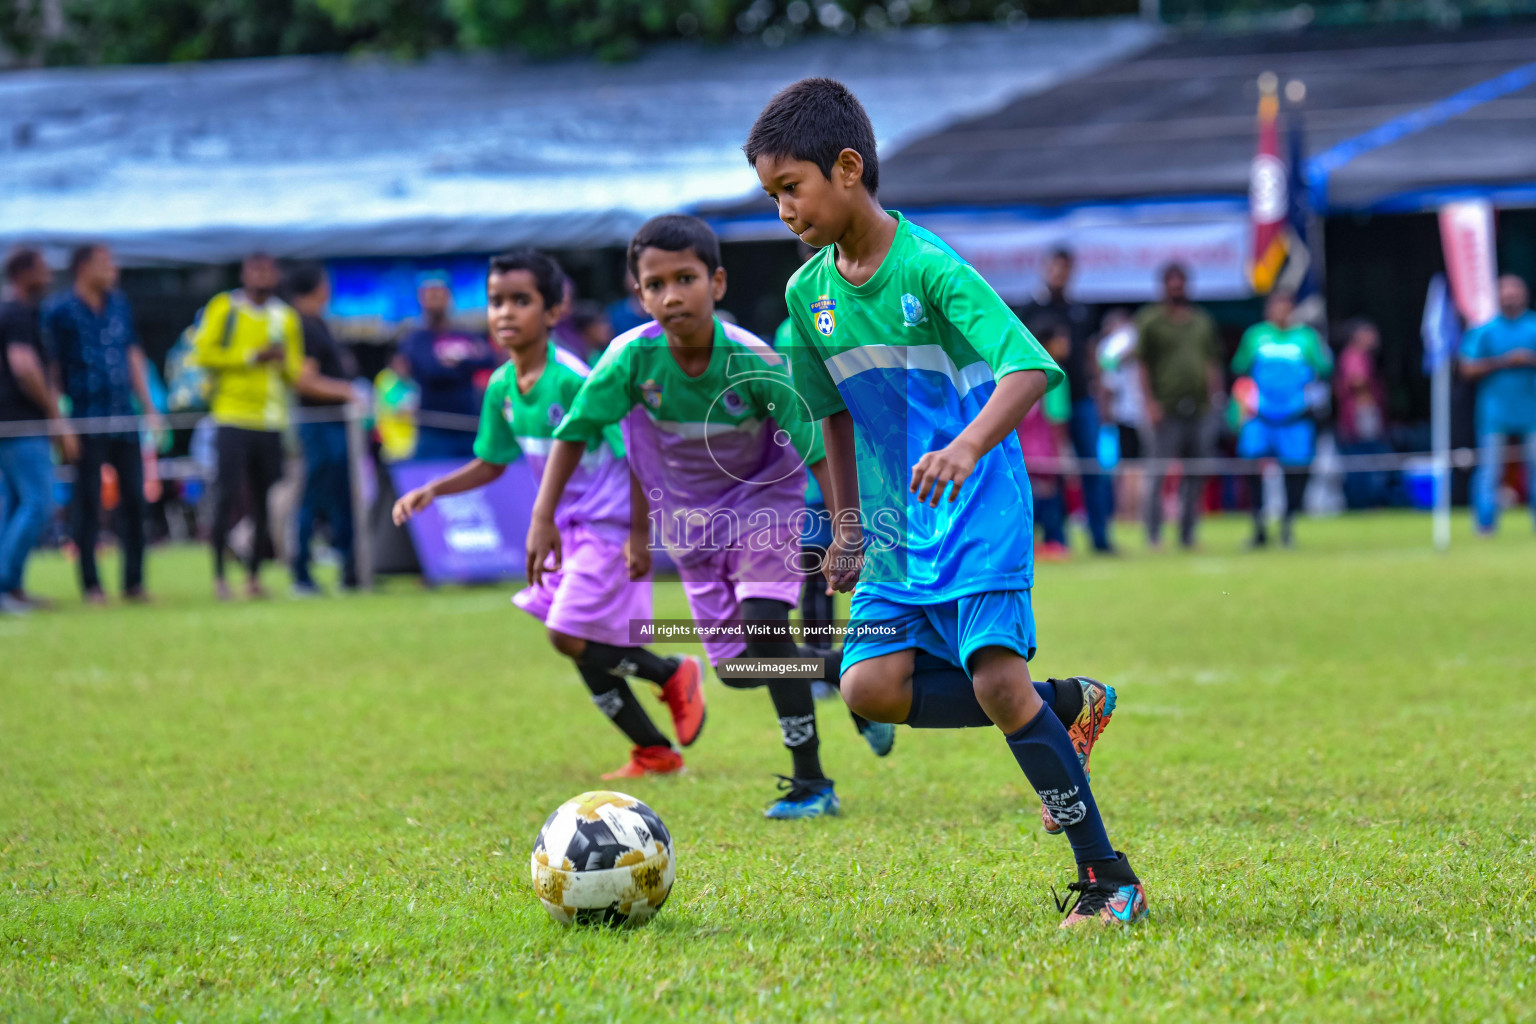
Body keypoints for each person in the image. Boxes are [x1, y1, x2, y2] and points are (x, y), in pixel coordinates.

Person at [748, 78, 1144, 927]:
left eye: (792, 187)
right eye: (771, 194)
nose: (783, 209)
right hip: (894, 532)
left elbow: (1030, 366)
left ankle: (1109, 879)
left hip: (973, 511)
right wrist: (847, 524)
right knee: (868, 689)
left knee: (998, 686)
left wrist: (966, 445)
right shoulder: (804, 296)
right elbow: (827, 415)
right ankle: (1067, 704)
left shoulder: (928, 267)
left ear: (848, 168)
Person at [529, 214, 890, 820]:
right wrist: (543, 517)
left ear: (716, 283)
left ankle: (812, 784)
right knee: (740, 670)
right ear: (638, 294)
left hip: (761, 508)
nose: (672, 295)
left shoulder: (753, 360)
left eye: (686, 278)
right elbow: (575, 433)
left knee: (767, 632)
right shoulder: (628, 361)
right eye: (656, 284)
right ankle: (853, 676)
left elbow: (817, 446)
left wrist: (846, 533)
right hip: (691, 525)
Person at [394, 250, 705, 778]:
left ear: (553, 311)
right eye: (496, 301)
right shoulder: (500, 386)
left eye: (521, 300)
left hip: (606, 527)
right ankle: (654, 751)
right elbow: (493, 461)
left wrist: (637, 533)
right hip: (567, 532)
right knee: (580, 643)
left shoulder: (573, 379)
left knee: (566, 633)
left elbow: (636, 451)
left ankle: (671, 672)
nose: (506, 313)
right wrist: (435, 489)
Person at [44, 244, 160, 604]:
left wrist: (148, 405)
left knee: (135, 501)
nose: (113, 268)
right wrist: (59, 422)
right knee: (88, 503)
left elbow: (132, 354)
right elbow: (52, 367)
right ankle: (91, 585)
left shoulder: (119, 304)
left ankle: (134, 582)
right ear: (83, 268)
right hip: (85, 418)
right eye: (104, 263)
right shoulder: (59, 311)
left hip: (123, 416)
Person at [190, 253, 304, 600]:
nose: (261, 276)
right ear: (243, 274)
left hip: (270, 421)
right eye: (255, 270)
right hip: (230, 416)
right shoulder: (224, 308)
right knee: (225, 496)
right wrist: (251, 357)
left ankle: (254, 577)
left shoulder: (284, 316)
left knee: (263, 501)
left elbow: (294, 371)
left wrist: (282, 362)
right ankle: (219, 577)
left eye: (267, 270)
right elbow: (202, 354)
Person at [1018, 248, 1113, 553]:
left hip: (1081, 398)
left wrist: (1100, 392)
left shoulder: (1081, 310)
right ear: (1045, 269)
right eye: (1055, 268)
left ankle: (1100, 538)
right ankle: (1055, 538)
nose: (1059, 274)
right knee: (1047, 472)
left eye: (1065, 269)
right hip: (1045, 402)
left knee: (1090, 469)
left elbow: (1090, 354)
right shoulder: (1029, 310)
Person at [0, 248, 76, 614]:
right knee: (39, 503)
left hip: (14, 423)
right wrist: (54, 414)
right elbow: (24, 366)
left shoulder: (24, 314)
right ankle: (5, 584)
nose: (48, 275)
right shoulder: (16, 313)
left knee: (14, 504)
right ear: (23, 273)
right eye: (42, 269)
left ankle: (12, 588)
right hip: (21, 423)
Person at [1232, 290, 1333, 548]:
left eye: (1286, 307)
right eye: (1276, 307)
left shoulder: (1307, 338)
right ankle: (1258, 526)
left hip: (1296, 417)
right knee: (1253, 470)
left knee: (1296, 472)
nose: (1281, 313)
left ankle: (1288, 526)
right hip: (1261, 416)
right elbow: (1239, 368)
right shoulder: (1255, 336)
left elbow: (1324, 369)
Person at [285, 263, 361, 595]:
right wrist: (348, 390)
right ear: (317, 287)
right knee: (313, 497)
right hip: (318, 425)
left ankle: (352, 569)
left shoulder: (318, 323)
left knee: (341, 497)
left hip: (334, 424)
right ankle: (301, 573)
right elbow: (304, 380)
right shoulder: (303, 326)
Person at [1135, 263, 1223, 550]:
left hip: (1199, 408)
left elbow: (1211, 362)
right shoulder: (1150, 321)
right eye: (1171, 283)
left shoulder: (1201, 321)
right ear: (1163, 287)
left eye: (1180, 283)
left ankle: (1187, 535)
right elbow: (1142, 365)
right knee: (1158, 474)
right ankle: (1153, 535)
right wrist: (1149, 402)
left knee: (1195, 475)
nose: (1176, 288)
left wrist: (1215, 398)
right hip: (1165, 408)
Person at [1458, 274, 1536, 535]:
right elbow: (1466, 368)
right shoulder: (1485, 330)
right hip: (1494, 413)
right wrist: (1504, 362)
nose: (1511, 298)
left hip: (1531, 411)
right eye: (1506, 293)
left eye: (1515, 293)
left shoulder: (1533, 326)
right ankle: (1485, 525)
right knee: (1490, 470)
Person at [396, 272, 499, 461]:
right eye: (429, 294)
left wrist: (456, 362)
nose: (434, 299)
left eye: (439, 293)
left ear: (449, 297)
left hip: (469, 425)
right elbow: (431, 370)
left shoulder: (466, 332)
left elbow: (489, 359)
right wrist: (465, 360)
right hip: (433, 430)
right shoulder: (415, 338)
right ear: (421, 299)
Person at [1096, 310, 1149, 521]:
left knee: (1132, 466)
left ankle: (1131, 511)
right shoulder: (1117, 345)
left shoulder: (1114, 345)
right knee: (1133, 466)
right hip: (1130, 412)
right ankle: (1130, 511)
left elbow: (1107, 383)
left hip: (1134, 411)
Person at [1334, 319, 1392, 510]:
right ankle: (1361, 503)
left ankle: (1364, 501)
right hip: (1360, 414)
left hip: (1360, 414)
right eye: (1369, 333)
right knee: (1362, 460)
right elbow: (1357, 381)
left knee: (1365, 459)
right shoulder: (1355, 356)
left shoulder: (1360, 356)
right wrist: (1369, 412)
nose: (1374, 338)